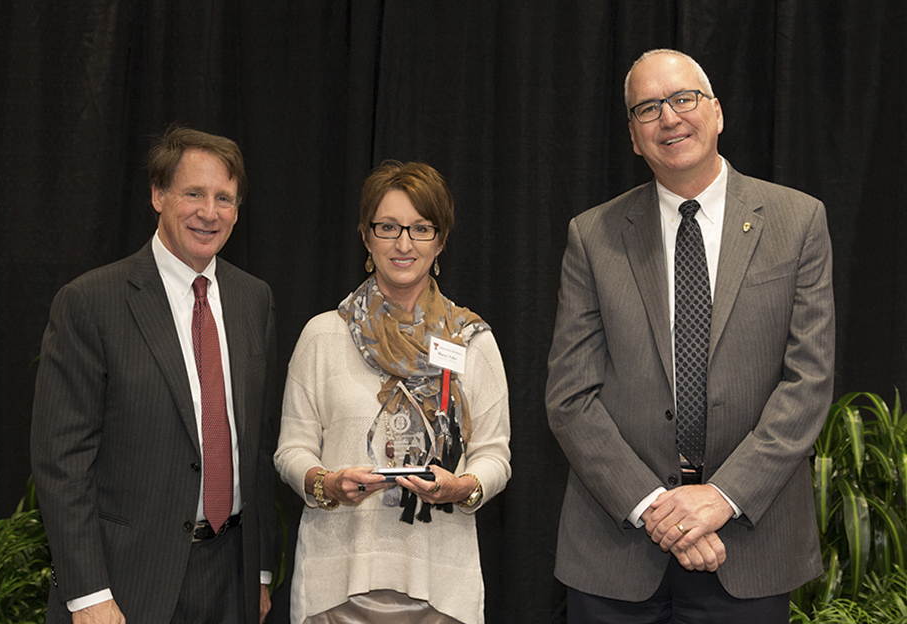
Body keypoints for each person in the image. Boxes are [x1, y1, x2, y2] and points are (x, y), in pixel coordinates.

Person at [545, 49, 835, 623]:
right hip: (616, 549)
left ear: (718, 112)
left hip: (749, 547)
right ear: (633, 137)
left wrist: (722, 498)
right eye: (647, 109)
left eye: (683, 99)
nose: (669, 118)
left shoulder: (798, 221)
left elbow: (809, 381)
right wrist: (659, 509)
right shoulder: (593, 236)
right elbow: (570, 397)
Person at [31, 126, 278, 624]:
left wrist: (261, 573)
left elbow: (257, 442)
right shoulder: (91, 302)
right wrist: (88, 594)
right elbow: (62, 461)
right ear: (158, 195)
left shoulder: (255, 300)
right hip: (125, 583)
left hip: (232, 575)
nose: (210, 212)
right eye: (194, 193)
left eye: (224, 198)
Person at [275, 160, 511, 624]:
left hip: (441, 589)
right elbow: (291, 450)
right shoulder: (323, 335)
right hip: (336, 589)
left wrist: (463, 487)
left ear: (441, 241)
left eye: (421, 228)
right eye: (388, 227)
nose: (404, 244)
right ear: (365, 237)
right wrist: (326, 483)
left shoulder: (471, 341)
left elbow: (495, 456)